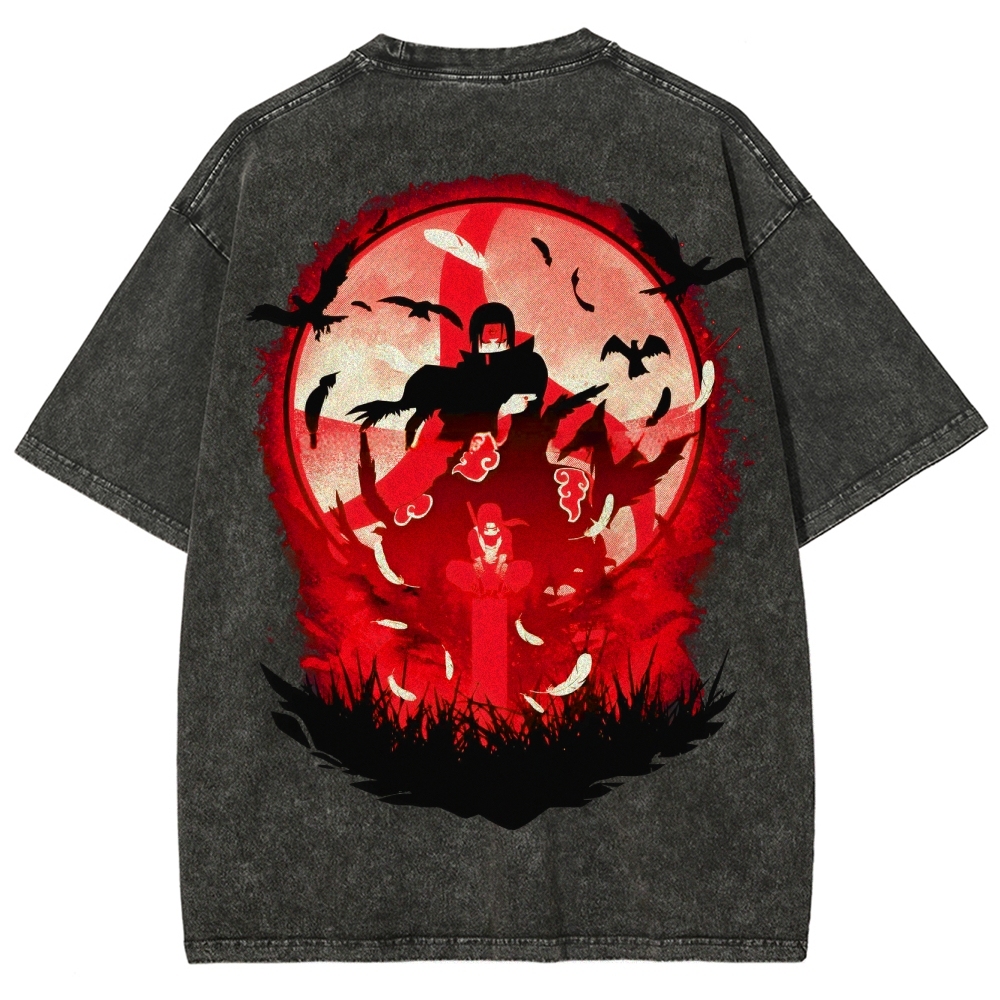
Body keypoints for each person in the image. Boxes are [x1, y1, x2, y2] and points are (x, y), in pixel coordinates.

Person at [348, 302, 548, 449]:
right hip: (460, 451)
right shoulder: (470, 369)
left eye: (500, 336)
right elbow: (454, 385)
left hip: (509, 454)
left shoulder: (528, 365)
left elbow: (523, 408)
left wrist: (503, 411)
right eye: (486, 337)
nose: (494, 342)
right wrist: (407, 366)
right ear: (476, 338)